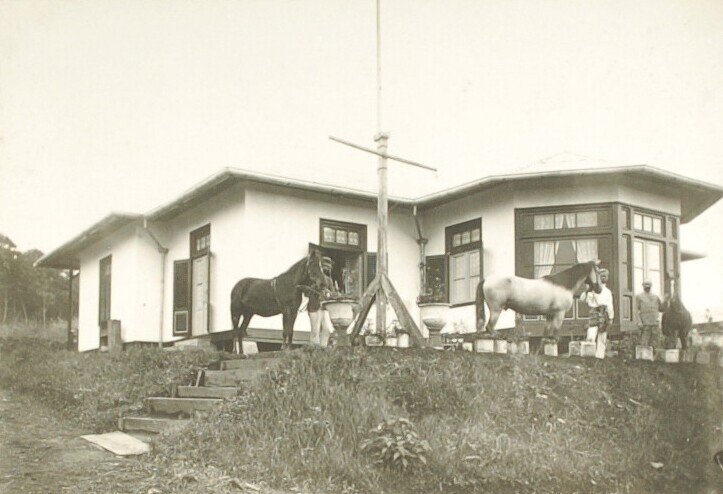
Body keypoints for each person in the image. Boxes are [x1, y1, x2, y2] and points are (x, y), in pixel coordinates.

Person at [580, 268, 614, 359]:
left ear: (607, 278)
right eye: (601, 276)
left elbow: (610, 305)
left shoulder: (607, 291)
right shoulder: (592, 289)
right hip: (594, 313)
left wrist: (611, 318)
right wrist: (588, 290)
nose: (603, 278)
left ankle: (600, 357)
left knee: (602, 337)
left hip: (604, 314)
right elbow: (582, 299)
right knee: (591, 335)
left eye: (605, 276)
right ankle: (588, 356)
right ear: (598, 277)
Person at [307, 256, 335, 348]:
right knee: (315, 331)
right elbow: (307, 293)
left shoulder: (329, 280)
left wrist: (328, 293)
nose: (327, 269)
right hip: (314, 307)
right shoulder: (313, 279)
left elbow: (332, 293)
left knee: (326, 329)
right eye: (325, 266)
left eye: (329, 267)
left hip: (324, 308)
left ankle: (323, 348)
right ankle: (314, 350)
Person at [634, 280, 663, 348]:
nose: (647, 287)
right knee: (644, 344)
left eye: (649, 286)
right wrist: (639, 321)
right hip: (645, 324)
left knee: (656, 344)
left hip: (655, 324)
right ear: (643, 286)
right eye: (645, 286)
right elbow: (635, 310)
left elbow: (661, 308)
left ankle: (655, 354)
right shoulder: (639, 296)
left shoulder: (656, 297)